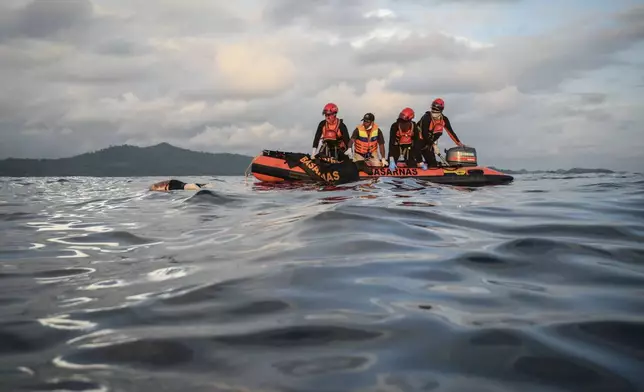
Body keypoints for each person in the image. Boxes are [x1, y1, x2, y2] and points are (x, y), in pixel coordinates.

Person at [417, 98, 464, 167]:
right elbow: (424, 134)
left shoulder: (444, 119)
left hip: (428, 145)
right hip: (418, 143)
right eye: (433, 109)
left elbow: (451, 133)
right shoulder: (426, 118)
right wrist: (434, 145)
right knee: (415, 162)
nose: (434, 112)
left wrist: (459, 144)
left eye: (436, 110)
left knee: (433, 165)